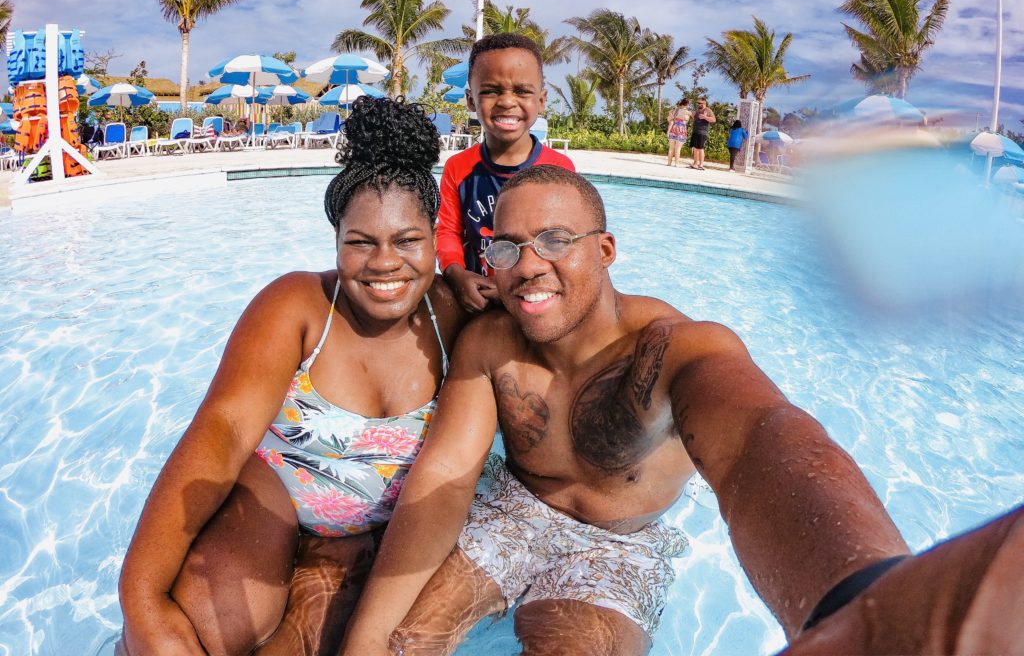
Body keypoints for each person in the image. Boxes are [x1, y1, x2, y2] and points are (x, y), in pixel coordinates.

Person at [340, 165, 1024, 656]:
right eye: (506, 247)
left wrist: (861, 599)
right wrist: (365, 646)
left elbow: (763, 437)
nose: (527, 266)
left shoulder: (676, 348)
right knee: (403, 644)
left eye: (554, 240)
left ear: (605, 251)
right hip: (514, 510)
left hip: (622, 543)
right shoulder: (490, 342)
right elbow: (444, 478)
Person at [118, 96, 464, 656]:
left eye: (407, 241)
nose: (384, 263)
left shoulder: (453, 317)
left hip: (377, 527)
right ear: (335, 240)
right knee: (211, 627)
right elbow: (222, 432)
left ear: (433, 237)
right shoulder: (299, 306)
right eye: (360, 242)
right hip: (279, 491)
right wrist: (142, 599)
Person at [436, 33, 575, 314]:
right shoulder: (458, 168)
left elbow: (564, 245)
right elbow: (448, 231)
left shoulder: (559, 169)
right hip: (477, 295)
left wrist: (515, 287)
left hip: (536, 296)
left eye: (522, 91)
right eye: (490, 90)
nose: (506, 101)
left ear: (542, 100)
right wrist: (456, 275)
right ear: (471, 101)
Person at [688, 97, 716, 170]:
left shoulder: (707, 110)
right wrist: (692, 115)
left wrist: (705, 117)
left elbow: (714, 120)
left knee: (700, 148)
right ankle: (695, 164)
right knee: (695, 148)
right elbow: (695, 118)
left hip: (702, 132)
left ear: (704, 103)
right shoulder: (698, 111)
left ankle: (701, 165)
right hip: (695, 131)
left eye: (699, 103)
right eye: (697, 103)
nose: (698, 104)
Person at [665, 99, 691, 167]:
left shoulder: (675, 111)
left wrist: (668, 132)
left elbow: (669, 120)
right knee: (678, 148)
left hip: (673, 129)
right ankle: (676, 164)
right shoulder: (688, 112)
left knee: (671, 148)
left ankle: (669, 163)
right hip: (681, 130)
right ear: (687, 104)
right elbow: (689, 118)